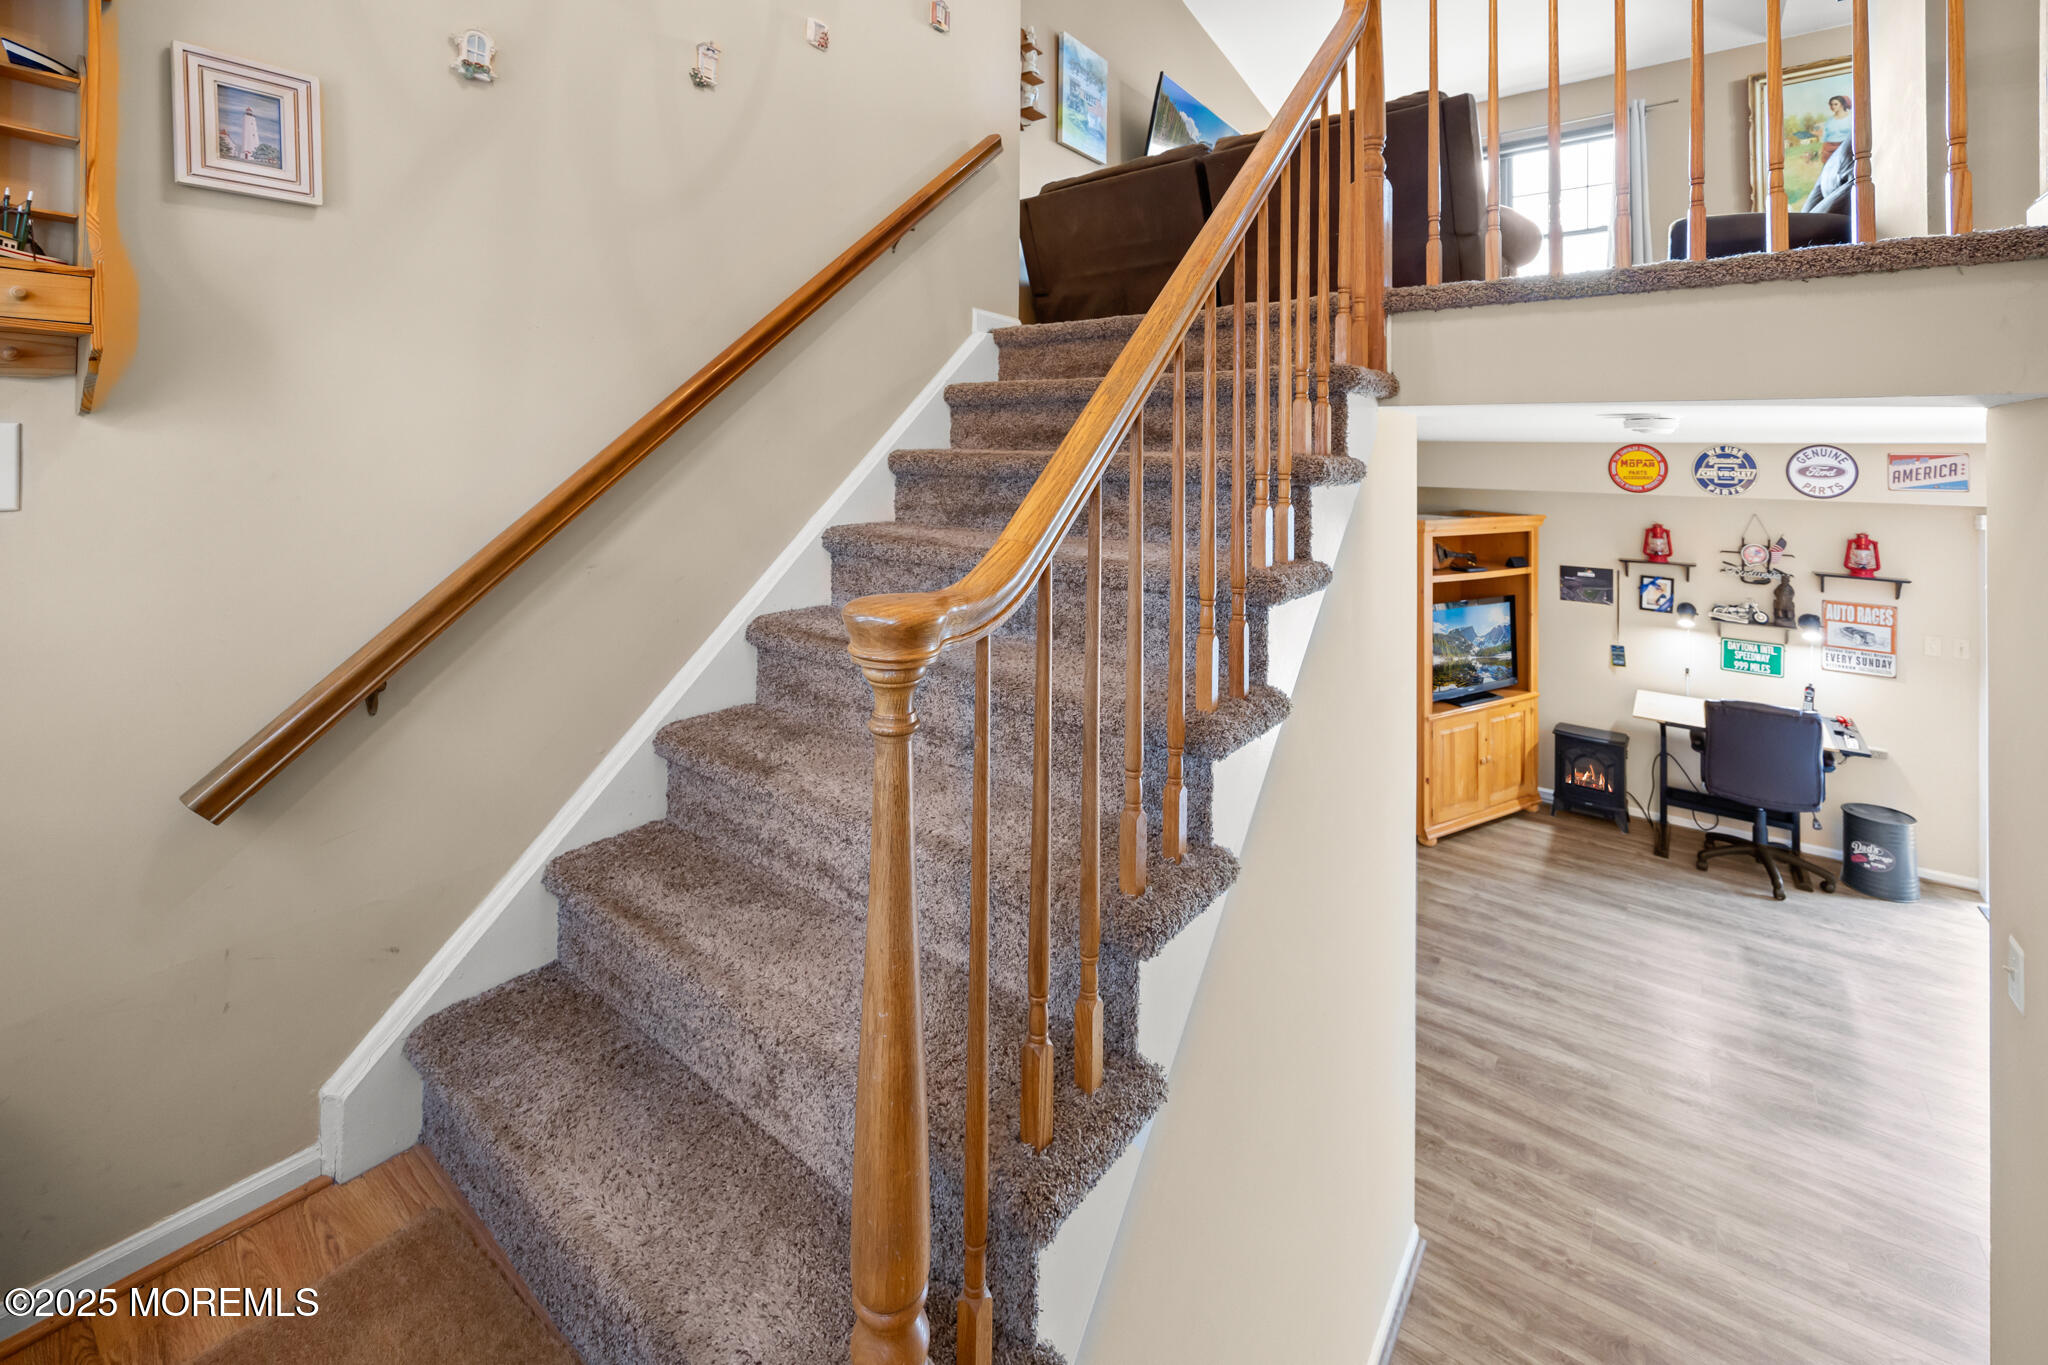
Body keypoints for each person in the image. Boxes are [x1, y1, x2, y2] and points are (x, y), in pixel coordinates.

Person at [1820, 94, 1852, 166]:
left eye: (1835, 104)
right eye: (1831, 104)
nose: (1833, 106)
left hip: (1846, 147)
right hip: (1830, 149)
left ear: (1842, 104)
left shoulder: (1851, 118)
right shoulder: (1829, 121)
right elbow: (1825, 137)